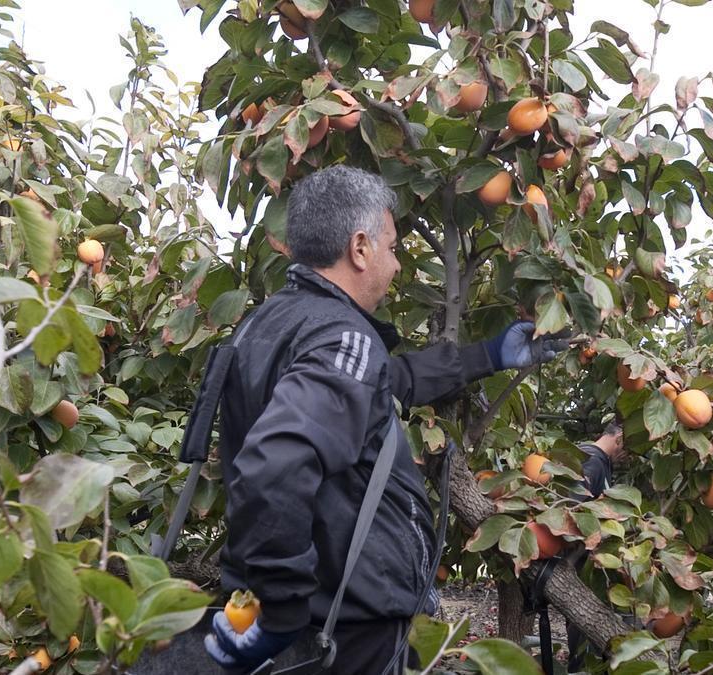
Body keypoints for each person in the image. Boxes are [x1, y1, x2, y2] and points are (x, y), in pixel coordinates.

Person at [201, 165, 568, 675]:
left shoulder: (272, 321)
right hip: (344, 626)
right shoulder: (341, 336)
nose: (395, 265)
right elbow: (274, 466)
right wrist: (282, 605)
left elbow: (381, 383)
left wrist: (490, 354)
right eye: (392, 247)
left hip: (315, 615)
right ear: (359, 248)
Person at [567, 419, 627, 671]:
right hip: (582, 567)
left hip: (586, 567)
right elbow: (573, 510)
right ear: (619, 439)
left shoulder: (594, 459)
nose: (628, 457)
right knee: (586, 641)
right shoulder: (593, 461)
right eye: (628, 450)